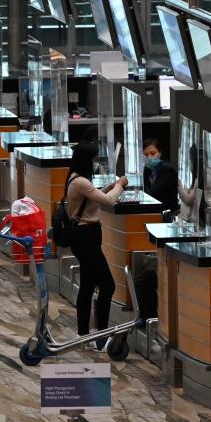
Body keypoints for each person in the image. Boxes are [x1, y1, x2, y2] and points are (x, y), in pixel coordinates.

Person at [64, 141, 127, 349]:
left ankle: (85, 336)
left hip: (87, 237)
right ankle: (100, 336)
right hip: (86, 238)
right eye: (93, 159)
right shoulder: (80, 182)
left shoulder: (76, 179)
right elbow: (108, 202)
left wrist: (107, 188)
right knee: (107, 285)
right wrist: (119, 185)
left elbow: (95, 197)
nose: (95, 163)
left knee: (88, 286)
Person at [142, 138, 177, 213]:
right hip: (152, 211)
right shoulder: (147, 170)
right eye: (146, 155)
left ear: (160, 153)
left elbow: (152, 195)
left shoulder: (167, 170)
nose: (149, 157)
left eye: (153, 153)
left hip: (166, 215)